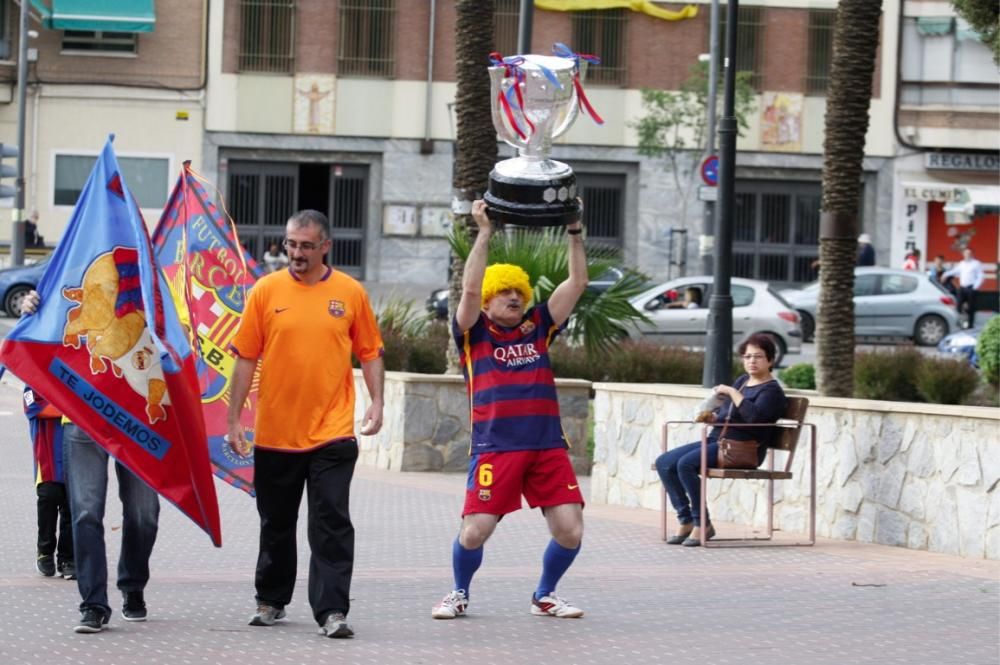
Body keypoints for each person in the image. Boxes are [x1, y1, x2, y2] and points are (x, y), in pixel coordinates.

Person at [227, 209, 385, 640]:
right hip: (276, 431)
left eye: (306, 246)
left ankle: (332, 610)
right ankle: (271, 600)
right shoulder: (265, 291)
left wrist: (377, 403)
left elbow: (370, 352)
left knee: (330, 521)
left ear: (325, 247)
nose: (296, 254)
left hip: (332, 431)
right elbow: (245, 357)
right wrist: (234, 419)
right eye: (291, 244)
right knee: (276, 522)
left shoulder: (350, 293)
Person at [431, 199, 589, 621]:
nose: (514, 297)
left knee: (571, 531)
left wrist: (574, 230)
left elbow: (576, 284)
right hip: (495, 447)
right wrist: (484, 232)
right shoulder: (473, 332)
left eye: (519, 291)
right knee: (474, 532)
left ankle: (545, 594)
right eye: (504, 292)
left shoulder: (538, 324)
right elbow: (466, 290)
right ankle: (458, 593)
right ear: (486, 301)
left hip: (545, 446)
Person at [19, 291, 161, 635]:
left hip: (136, 416)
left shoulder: (145, 274)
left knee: (143, 514)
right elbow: (37, 331)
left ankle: (132, 582)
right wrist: (30, 310)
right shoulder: (74, 268)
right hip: (82, 416)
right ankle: (93, 603)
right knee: (84, 512)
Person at [654, 334, 787, 547]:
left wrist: (732, 392)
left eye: (758, 357)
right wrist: (712, 417)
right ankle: (686, 520)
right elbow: (727, 413)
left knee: (685, 464)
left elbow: (754, 418)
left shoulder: (771, 391)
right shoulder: (743, 382)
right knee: (664, 462)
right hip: (718, 440)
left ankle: (702, 523)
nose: (752, 361)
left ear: (770, 361)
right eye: (747, 357)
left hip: (742, 449)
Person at [24, 385, 74, 581]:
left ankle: (67, 559)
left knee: (72, 507)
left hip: (76, 453)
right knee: (49, 499)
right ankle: (44, 551)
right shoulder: (33, 382)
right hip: (47, 455)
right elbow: (37, 409)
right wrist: (70, 408)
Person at [942, 247, 985, 329]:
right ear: (963, 254)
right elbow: (954, 271)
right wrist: (945, 274)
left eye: (969, 253)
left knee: (971, 308)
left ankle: (970, 325)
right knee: (958, 306)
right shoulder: (962, 263)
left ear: (972, 254)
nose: (967, 255)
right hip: (962, 288)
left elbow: (981, 276)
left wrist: (975, 287)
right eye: (966, 253)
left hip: (971, 288)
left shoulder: (976, 263)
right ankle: (960, 322)